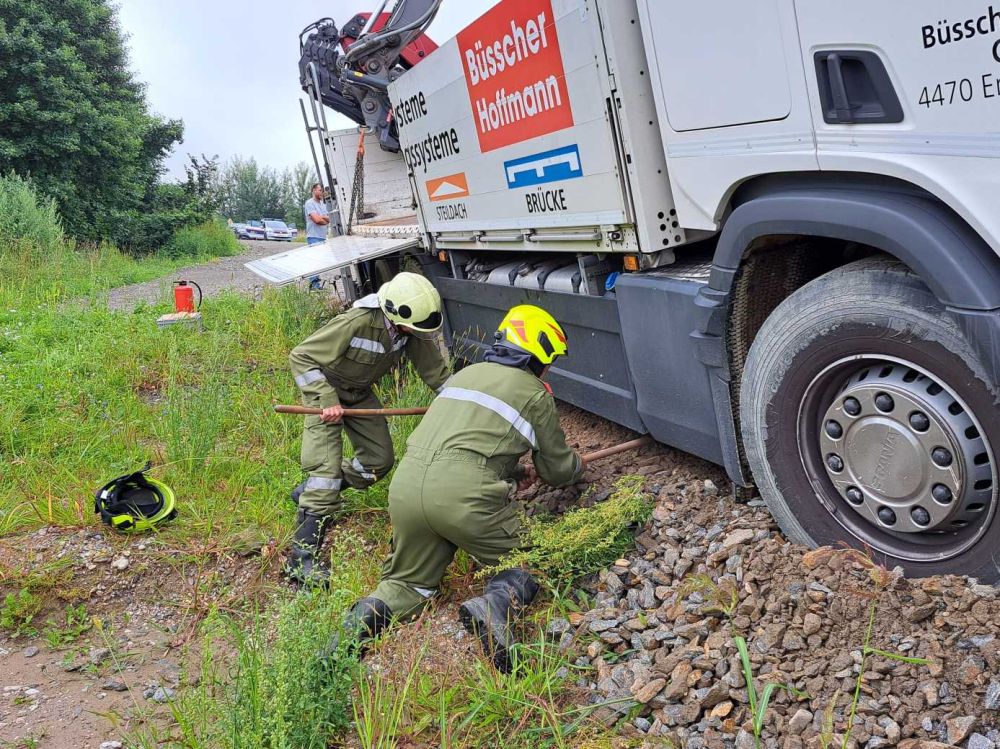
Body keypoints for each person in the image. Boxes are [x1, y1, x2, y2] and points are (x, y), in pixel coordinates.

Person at [335, 304, 584, 672]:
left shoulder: (461, 378)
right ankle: (493, 606)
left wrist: (511, 471)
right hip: (462, 499)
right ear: (540, 352)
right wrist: (579, 465)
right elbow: (558, 470)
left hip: (406, 490)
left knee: (406, 584)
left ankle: (342, 643)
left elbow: (463, 446)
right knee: (529, 562)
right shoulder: (534, 392)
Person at [285, 272, 450, 585]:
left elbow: (437, 375)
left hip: (359, 394)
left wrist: (464, 398)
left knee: (378, 461)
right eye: (409, 328)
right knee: (325, 473)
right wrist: (326, 399)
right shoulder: (357, 321)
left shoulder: (411, 329)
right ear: (392, 311)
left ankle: (309, 494)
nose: (412, 333)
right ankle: (301, 561)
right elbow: (301, 357)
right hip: (325, 393)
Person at [303, 182, 331, 290]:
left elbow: (329, 218)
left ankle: (316, 284)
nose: (322, 193)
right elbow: (317, 220)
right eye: (320, 190)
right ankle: (314, 286)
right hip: (314, 236)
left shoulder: (323, 205)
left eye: (322, 191)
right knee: (314, 261)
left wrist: (324, 218)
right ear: (314, 190)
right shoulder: (309, 203)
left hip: (323, 236)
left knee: (319, 262)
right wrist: (324, 219)